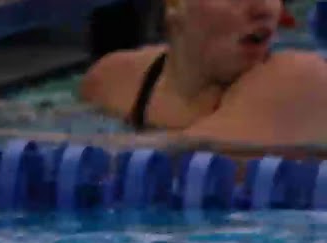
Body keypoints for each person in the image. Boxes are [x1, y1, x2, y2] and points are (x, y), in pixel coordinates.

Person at [79, 0, 327, 147]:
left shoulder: (302, 80)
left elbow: (188, 152)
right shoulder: (113, 81)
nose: (264, 8)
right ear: (175, 4)